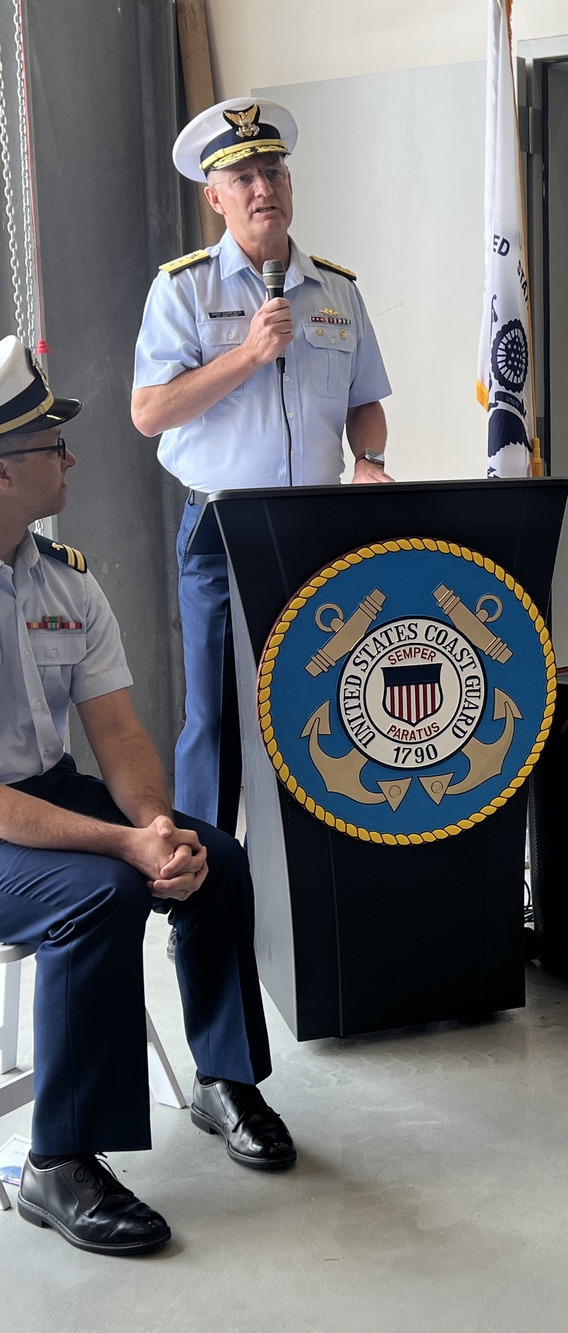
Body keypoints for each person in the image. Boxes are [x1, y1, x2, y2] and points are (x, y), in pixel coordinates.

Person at [0, 336, 296, 1257]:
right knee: (101, 896)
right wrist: (123, 852)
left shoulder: (65, 583)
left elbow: (120, 734)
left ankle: (222, 1079)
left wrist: (158, 827)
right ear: (5, 472)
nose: (71, 458)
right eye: (53, 446)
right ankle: (59, 1161)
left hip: (46, 793)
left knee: (215, 861)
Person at [131, 97, 394, 834]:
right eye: (242, 176)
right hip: (223, 526)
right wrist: (248, 355)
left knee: (321, 703)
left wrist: (369, 458)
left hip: (318, 526)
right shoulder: (184, 290)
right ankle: (205, 899)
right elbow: (149, 412)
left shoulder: (336, 289)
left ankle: (311, 876)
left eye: (272, 170)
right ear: (214, 197)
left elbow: (365, 400)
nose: (262, 188)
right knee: (216, 721)